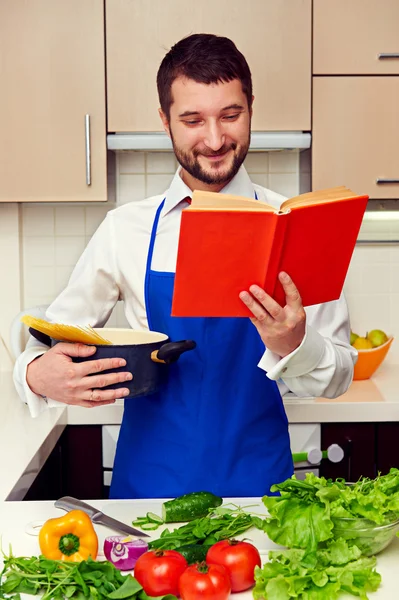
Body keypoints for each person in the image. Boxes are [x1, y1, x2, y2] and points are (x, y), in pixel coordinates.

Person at [14, 33, 356, 499]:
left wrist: (295, 342)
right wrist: (35, 372)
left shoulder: (298, 227)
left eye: (230, 115)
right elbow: (54, 338)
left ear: (251, 107)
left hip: (263, 497)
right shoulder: (124, 230)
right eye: (193, 120)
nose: (214, 140)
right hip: (149, 496)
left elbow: (339, 376)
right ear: (165, 120)